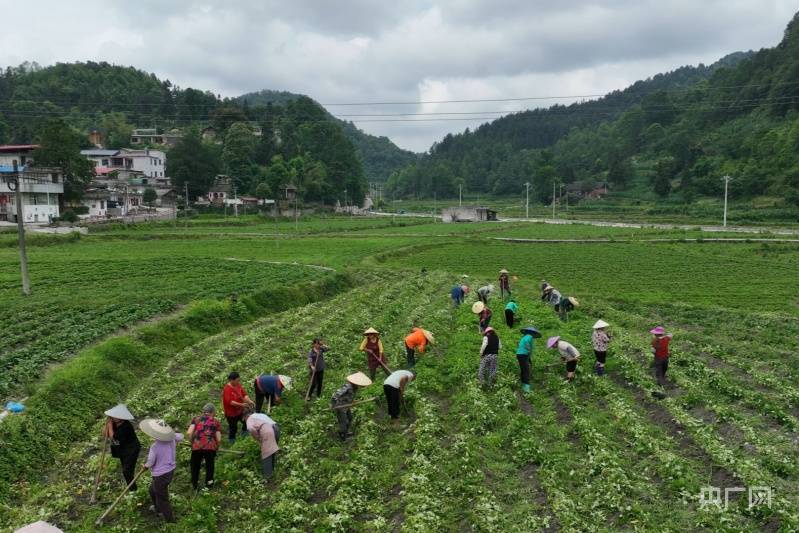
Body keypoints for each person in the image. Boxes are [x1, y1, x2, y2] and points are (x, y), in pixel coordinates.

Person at [140, 419, 184, 523]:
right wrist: (175, 432)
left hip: (161, 474)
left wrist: (145, 466)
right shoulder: (172, 438)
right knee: (152, 490)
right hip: (170, 472)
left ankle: (170, 521)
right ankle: (157, 508)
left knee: (162, 498)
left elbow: (150, 462)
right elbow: (181, 436)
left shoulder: (154, 447)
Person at [103, 404, 141, 491]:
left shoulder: (126, 426)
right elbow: (105, 434)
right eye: (113, 416)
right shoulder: (113, 423)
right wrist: (107, 425)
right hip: (122, 449)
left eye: (116, 416)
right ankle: (130, 486)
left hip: (132, 449)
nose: (114, 417)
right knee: (126, 469)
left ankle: (133, 490)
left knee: (127, 470)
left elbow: (113, 437)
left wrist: (109, 427)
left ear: (122, 417)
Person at [186, 403, 221, 490]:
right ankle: (209, 485)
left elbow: (189, 432)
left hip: (197, 446)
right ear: (212, 412)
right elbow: (219, 439)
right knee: (210, 467)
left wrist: (192, 443)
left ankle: (195, 485)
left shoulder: (196, 419)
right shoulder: (216, 422)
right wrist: (217, 447)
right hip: (210, 447)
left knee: (195, 466)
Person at [331, 372, 372, 440]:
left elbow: (348, 396)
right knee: (343, 421)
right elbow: (336, 395)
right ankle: (343, 436)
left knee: (350, 418)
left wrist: (352, 401)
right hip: (340, 406)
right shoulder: (347, 386)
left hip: (346, 405)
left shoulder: (355, 387)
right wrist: (333, 404)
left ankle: (346, 432)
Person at [243, 411, 280, 480]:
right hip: (276, 428)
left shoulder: (249, 419)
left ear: (245, 417)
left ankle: (267, 476)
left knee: (266, 454)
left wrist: (257, 437)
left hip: (268, 431)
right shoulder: (259, 415)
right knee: (272, 451)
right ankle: (272, 470)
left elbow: (250, 428)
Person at [222, 371, 254, 443]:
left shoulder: (238, 385)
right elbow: (230, 402)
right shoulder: (227, 389)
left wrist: (249, 401)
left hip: (240, 410)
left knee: (246, 421)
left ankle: (244, 433)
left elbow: (244, 394)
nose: (238, 382)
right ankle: (232, 440)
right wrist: (242, 405)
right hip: (231, 413)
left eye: (239, 380)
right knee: (233, 427)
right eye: (237, 380)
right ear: (231, 380)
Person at [516, 327, 540, 392]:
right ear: (533, 333)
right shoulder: (530, 336)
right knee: (526, 370)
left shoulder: (524, 337)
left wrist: (528, 357)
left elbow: (518, 344)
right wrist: (528, 348)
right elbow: (527, 344)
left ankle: (523, 384)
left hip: (520, 354)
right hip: (523, 354)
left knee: (523, 369)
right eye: (534, 334)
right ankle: (526, 388)